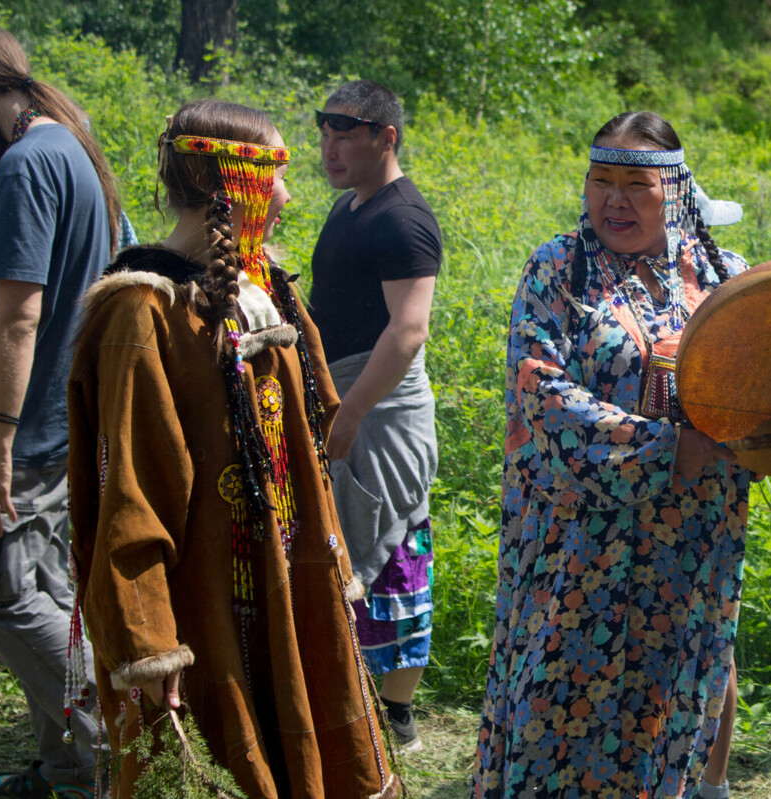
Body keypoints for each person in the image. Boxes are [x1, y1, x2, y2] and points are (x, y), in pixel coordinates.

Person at [66, 99, 399, 799]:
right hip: (206, 599)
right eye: (275, 172)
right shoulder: (142, 311)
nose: (287, 193)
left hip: (289, 573)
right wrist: (148, 640)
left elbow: (313, 424)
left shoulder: (263, 288)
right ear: (235, 182)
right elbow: (131, 488)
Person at [472, 111, 750, 798]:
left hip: (685, 548)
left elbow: (764, 385)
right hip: (575, 546)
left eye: (636, 184)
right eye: (601, 180)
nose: (614, 200)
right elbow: (541, 389)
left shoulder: (723, 275)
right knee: (557, 709)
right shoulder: (560, 267)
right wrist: (664, 449)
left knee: (664, 712)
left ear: (676, 191)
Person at [0, 22, 119, 799]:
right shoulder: (63, 145)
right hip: (49, 424)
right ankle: (69, 766)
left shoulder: (31, 163)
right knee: (47, 593)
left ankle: (104, 747)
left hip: (24, 432)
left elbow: (21, 315)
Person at [309, 80, 441, 753]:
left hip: (379, 411)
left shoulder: (402, 219)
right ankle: (346, 691)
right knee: (343, 544)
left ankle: (396, 712)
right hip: (344, 397)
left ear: (385, 136)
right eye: (324, 130)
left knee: (392, 549)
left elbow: (408, 329)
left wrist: (352, 410)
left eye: (346, 132)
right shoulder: (348, 208)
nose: (329, 146)